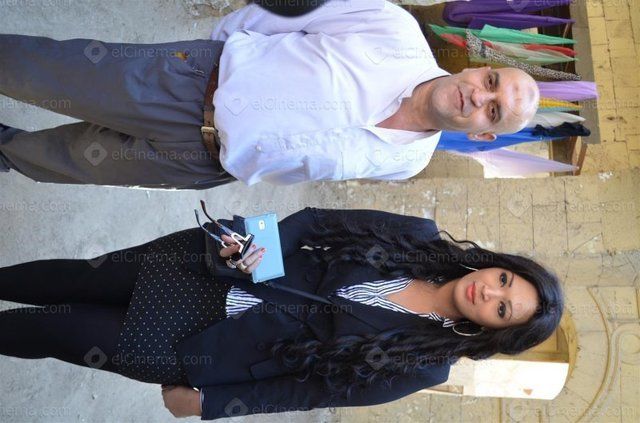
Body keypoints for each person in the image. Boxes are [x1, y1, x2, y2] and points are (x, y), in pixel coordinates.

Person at [0, 207, 563, 420]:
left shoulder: (424, 366)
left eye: (503, 309)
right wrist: (259, 246)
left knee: (56, 328)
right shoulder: (417, 236)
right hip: (216, 271)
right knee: (79, 276)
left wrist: (212, 404)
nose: (489, 293)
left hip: (211, 346)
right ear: (499, 265)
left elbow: (310, 391)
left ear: (494, 332)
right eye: (503, 280)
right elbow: (316, 223)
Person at [0, 1, 540, 189]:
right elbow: (282, 13)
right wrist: (210, 64)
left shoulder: (410, 162)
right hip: (189, 85)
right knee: (46, 74)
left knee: (69, 161)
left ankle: (6, 150)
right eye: (491, 82)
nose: (478, 96)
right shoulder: (394, 29)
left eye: (493, 111)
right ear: (481, 68)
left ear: (484, 135)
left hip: (201, 163)